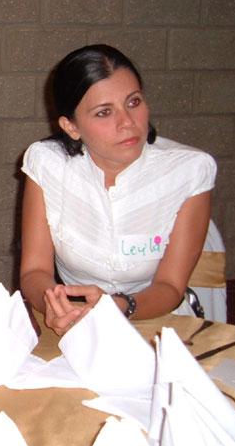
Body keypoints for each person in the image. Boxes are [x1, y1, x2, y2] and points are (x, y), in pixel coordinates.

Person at [20, 44, 216, 335]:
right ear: (71, 127)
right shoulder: (47, 163)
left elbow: (170, 286)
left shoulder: (189, 170)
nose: (127, 122)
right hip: (75, 321)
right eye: (104, 112)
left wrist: (119, 306)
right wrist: (54, 304)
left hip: (156, 320)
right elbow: (34, 271)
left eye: (133, 102)